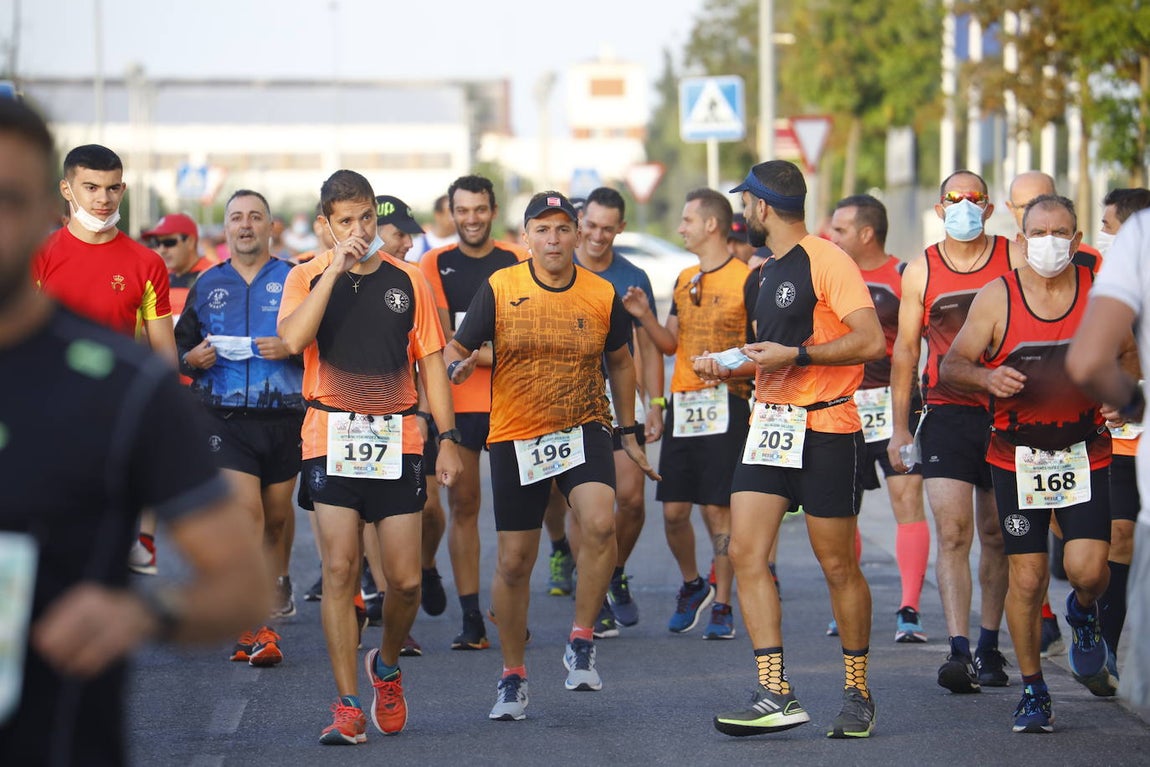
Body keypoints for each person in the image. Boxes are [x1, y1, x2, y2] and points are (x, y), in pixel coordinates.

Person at [0, 96, 268, 767]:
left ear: (41, 211)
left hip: (58, 737)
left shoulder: (130, 389)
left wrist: (143, 615)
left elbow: (244, 583)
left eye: (8, 198)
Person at [443, 190, 657, 721]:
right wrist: (459, 366)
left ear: (577, 234)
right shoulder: (501, 286)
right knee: (515, 563)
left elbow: (622, 362)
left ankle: (581, 637)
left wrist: (627, 429)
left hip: (584, 425)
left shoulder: (600, 292)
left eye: (563, 228)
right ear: (526, 237)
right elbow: (457, 346)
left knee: (600, 525)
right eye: (542, 229)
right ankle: (513, 676)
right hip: (517, 434)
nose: (554, 239)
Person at [278, 169, 463, 745]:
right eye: (346, 222)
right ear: (325, 227)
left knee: (405, 582)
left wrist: (449, 436)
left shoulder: (409, 279)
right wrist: (332, 269)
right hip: (328, 435)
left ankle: (384, 667)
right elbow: (290, 340)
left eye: (366, 219)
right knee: (339, 570)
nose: (359, 230)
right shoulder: (306, 276)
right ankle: (347, 704)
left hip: (397, 439)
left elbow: (431, 360)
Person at [705, 160, 884, 739]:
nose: (743, 215)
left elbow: (870, 340)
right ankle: (775, 691)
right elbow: (773, 350)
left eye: (745, 205)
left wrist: (798, 358)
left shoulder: (828, 259)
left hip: (827, 427)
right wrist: (732, 365)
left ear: (760, 207)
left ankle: (857, 690)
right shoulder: (762, 274)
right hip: (769, 429)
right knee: (745, 552)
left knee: (837, 564)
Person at [943, 194, 1120, 734]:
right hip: (1016, 457)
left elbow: (1131, 355)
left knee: (1088, 570)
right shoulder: (998, 297)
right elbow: (953, 364)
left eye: (1060, 232)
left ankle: (1082, 615)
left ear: (1076, 236)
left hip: (1084, 450)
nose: (1049, 242)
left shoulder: (1099, 293)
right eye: (1038, 233)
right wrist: (986, 378)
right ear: (1020, 240)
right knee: (1029, 575)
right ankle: (1034, 691)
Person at [887, 170, 1023, 694]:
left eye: (974, 198)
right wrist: (900, 427)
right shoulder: (922, 267)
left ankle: (990, 644)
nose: (964, 206)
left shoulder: (1010, 257)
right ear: (940, 208)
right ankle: (959, 649)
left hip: (1006, 411)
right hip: (946, 413)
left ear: (989, 209)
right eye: (954, 198)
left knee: (994, 534)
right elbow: (904, 350)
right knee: (953, 533)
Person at [32, 142, 176, 576]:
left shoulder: (147, 263)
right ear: (66, 188)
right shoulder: (37, 257)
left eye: (113, 188)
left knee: (99, 560)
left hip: (115, 422)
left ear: (123, 189)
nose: (103, 198)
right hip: (47, 419)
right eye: (91, 187)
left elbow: (163, 351)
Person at [176, 189, 305, 665]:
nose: (245, 225)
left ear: (272, 227)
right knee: (247, 515)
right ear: (225, 228)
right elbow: (179, 347)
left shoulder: (295, 280)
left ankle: (263, 608)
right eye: (236, 218)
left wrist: (290, 348)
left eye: (255, 217)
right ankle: (254, 628)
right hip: (223, 418)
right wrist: (191, 359)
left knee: (274, 519)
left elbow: (320, 342)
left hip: (285, 416)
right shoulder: (207, 284)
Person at [623, 188, 751, 639]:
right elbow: (670, 344)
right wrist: (643, 315)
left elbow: (760, 346)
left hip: (728, 405)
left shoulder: (746, 278)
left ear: (711, 225)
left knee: (718, 511)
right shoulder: (683, 279)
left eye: (687, 220)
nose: (680, 228)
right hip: (685, 405)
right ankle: (694, 583)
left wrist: (731, 367)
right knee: (674, 511)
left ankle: (723, 604)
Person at [418, 175, 528, 651]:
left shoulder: (516, 260)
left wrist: (479, 354)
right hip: (457, 407)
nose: (471, 219)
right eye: (462, 210)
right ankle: (470, 618)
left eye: (480, 209)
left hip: (511, 402)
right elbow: (442, 348)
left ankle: (508, 608)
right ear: (451, 212)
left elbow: (524, 343)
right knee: (462, 507)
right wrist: (490, 350)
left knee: (514, 513)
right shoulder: (433, 262)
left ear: (493, 209)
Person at [828, 194, 930, 643]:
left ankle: (909, 608)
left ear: (866, 233)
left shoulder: (903, 275)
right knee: (842, 510)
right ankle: (846, 603)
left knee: (907, 501)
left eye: (840, 230)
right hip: (844, 405)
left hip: (896, 404)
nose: (832, 237)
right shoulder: (829, 274)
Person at [566, 186, 664, 636]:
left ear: (620, 228)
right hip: (568, 401)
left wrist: (656, 404)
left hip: (622, 400)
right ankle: (593, 589)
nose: (598, 236)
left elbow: (648, 346)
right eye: (591, 226)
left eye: (608, 228)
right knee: (582, 505)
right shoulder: (559, 266)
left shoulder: (633, 275)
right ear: (580, 220)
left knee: (631, 500)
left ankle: (613, 572)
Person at [1068, 207, 1150, 710]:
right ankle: (1104, 644)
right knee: (1107, 548)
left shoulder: (1141, 235)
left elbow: (1087, 358)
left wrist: (1134, 399)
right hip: (1115, 449)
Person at [1090, 188, 1150, 673]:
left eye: (1108, 227)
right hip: (1117, 441)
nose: (1101, 236)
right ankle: (1105, 648)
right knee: (1119, 537)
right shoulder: (1100, 281)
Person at [142, 212, 215, 320]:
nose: (162, 250)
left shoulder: (214, 276)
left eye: (169, 242)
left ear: (190, 241)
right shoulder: (156, 279)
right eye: (157, 243)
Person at [408, 193, 458, 262]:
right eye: (451, 212)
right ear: (437, 215)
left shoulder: (466, 243)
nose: (455, 217)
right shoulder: (416, 246)